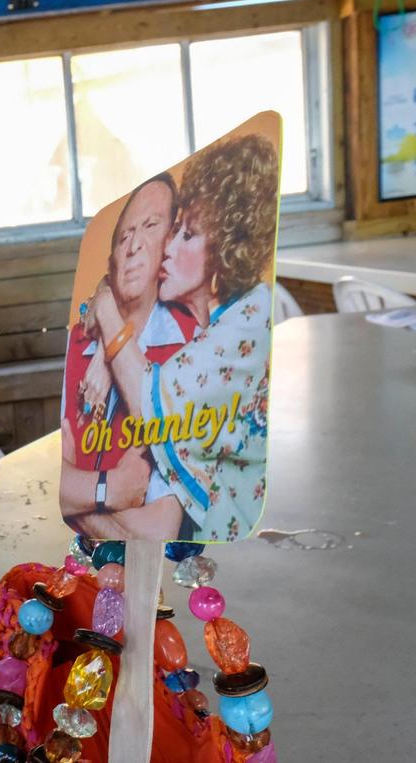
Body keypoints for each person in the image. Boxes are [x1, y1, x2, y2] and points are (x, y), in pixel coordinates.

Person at [87, 134, 277, 542]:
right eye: (172, 232)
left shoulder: (247, 318)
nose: (166, 250)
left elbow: (150, 404)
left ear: (226, 248)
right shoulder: (209, 323)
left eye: (186, 235)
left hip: (246, 548)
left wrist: (105, 308)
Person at [59, 174, 197, 540]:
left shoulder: (190, 345)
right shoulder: (78, 343)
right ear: (112, 260)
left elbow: (158, 530)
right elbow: (57, 490)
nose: (134, 245)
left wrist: (83, 501)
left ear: (170, 244)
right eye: (124, 237)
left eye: (151, 227)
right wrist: (111, 489)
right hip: (81, 570)